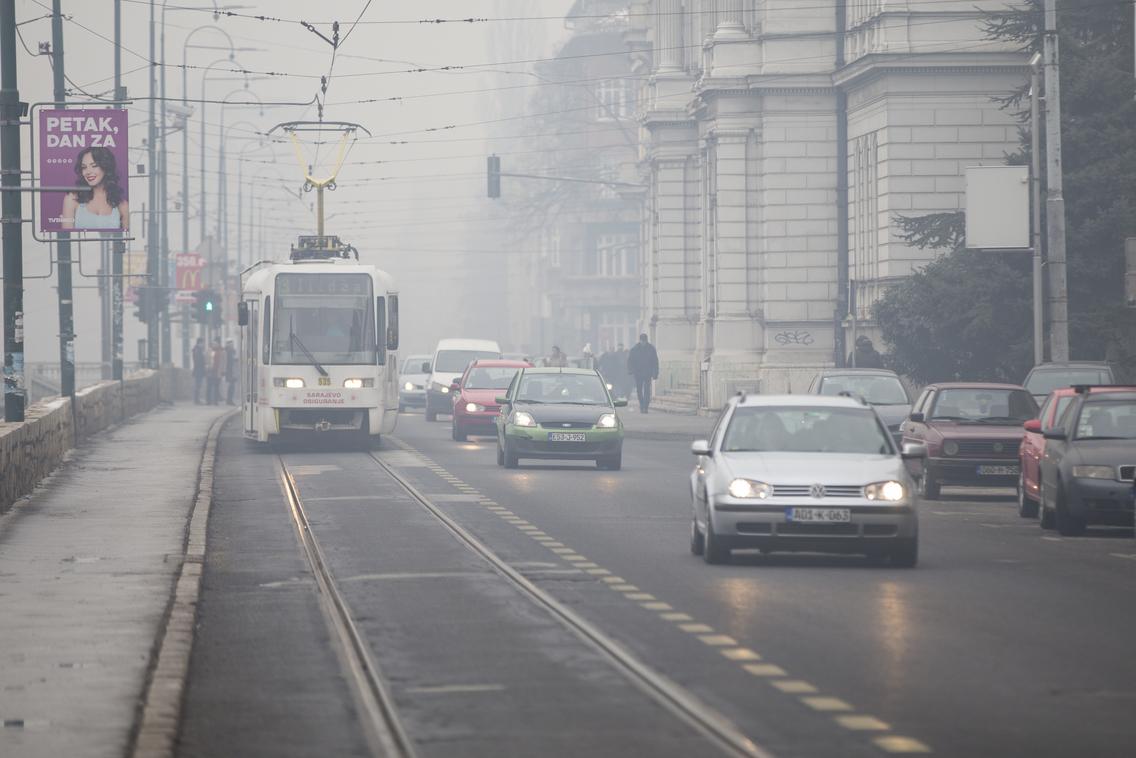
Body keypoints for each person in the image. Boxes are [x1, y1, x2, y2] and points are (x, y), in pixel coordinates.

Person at [60, 147, 129, 231]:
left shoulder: (122, 205)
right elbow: (66, 239)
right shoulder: (71, 199)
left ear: (105, 167)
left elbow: (127, 242)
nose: (88, 172)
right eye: (84, 167)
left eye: (94, 166)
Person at [627, 333, 659, 413]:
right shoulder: (635, 349)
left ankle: (645, 406)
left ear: (646, 341)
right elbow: (630, 361)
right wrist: (630, 370)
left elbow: (655, 362)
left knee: (647, 390)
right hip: (638, 373)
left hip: (648, 373)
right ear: (640, 340)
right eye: (642, 341)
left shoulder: (651, 349)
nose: (643, 342)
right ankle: (641, 404)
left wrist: (655, 373)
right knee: (639, 390)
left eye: (644, 341)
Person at [207, 339, 224, 405]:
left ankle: (215, 401)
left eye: (216, 344)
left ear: (218, 344)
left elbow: (223, 361)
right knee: (209, 387)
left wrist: (222, 371)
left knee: (216, 387)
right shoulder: (209, 351)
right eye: (213, 344)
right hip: (210, 371)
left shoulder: (221, 351)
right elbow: (207, 360)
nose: (214, 345)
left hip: (217, 372)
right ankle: (209, 401)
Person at [191, 338, 206, 404]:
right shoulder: (197, 350)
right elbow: (198, 360)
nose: (203, 344)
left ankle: (197, 399)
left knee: (198, 385)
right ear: (200, 343)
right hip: (198, 370)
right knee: (198, 385)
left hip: (198, 370)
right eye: (203, 343)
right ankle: (196, 400)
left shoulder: (197, 349)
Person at [224, 340, 238, 406]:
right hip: (229, 371)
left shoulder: (232, 351)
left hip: (232, 370)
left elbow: (234, 360)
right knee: (231, 386)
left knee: (232, 386)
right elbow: (227, 361)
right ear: (228, 345)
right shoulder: (227, 351)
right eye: (230, 344)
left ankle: (229, 399)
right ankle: (229, 400)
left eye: (232, 344)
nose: (232, 345)